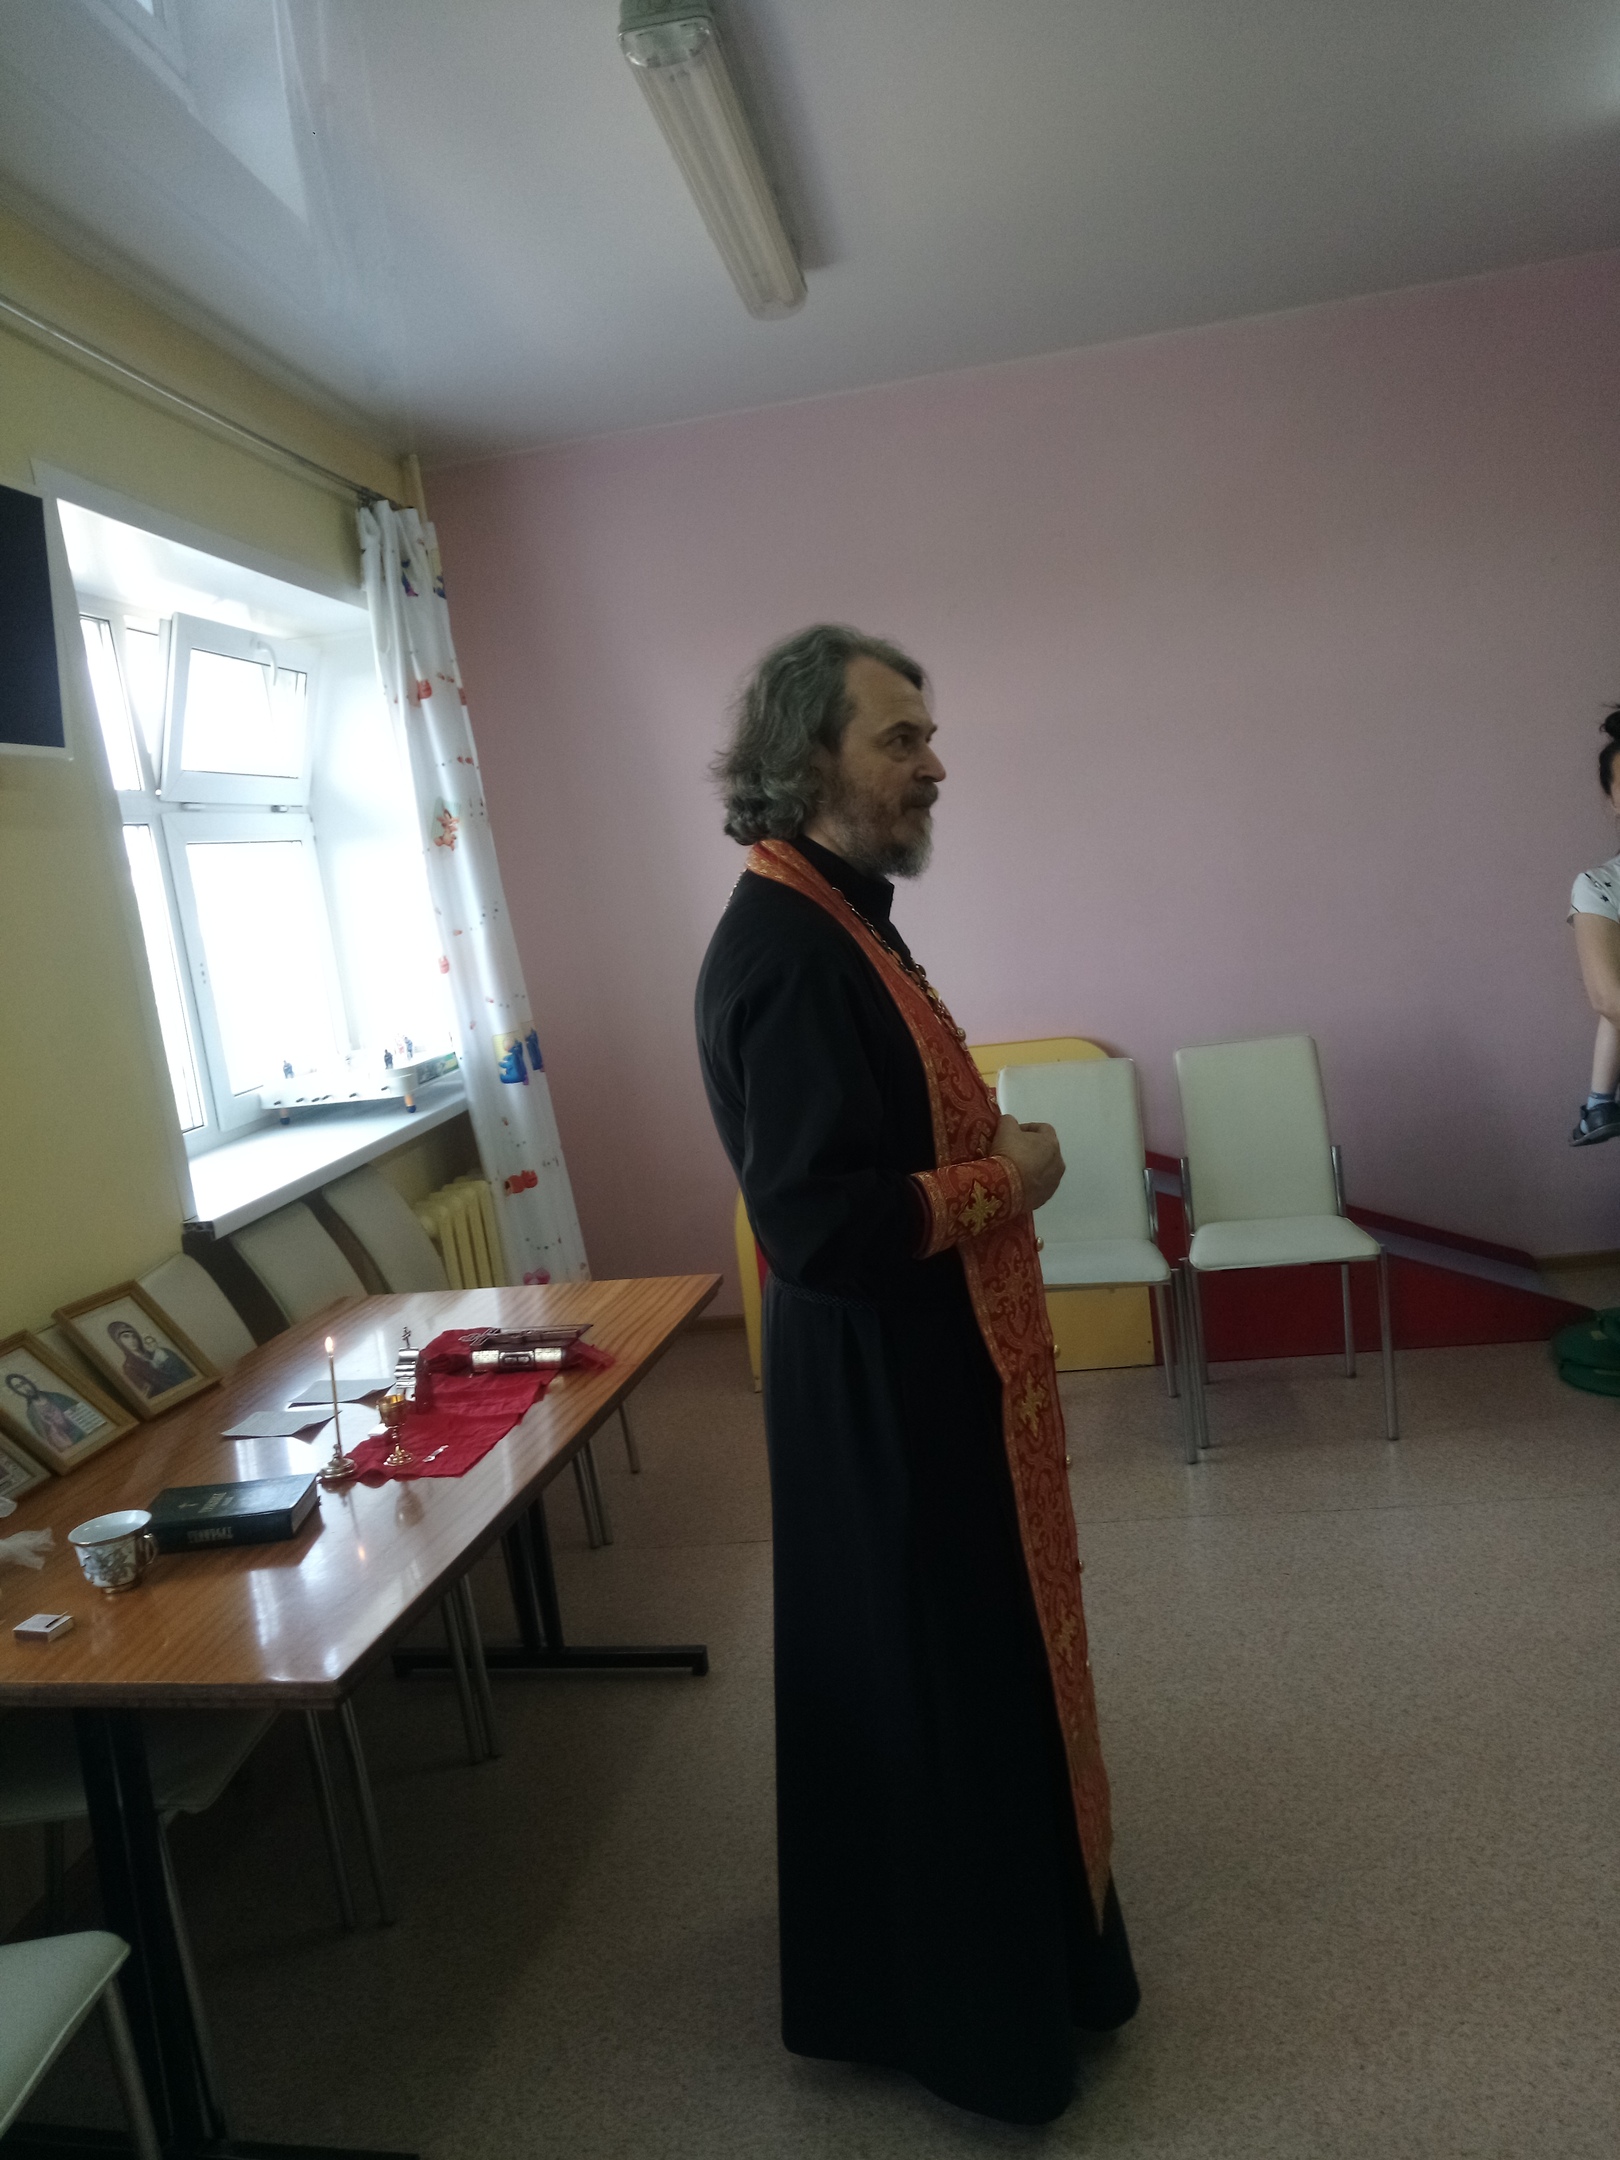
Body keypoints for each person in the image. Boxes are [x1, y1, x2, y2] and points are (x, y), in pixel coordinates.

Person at [694, 625, 1139, 2125]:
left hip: (924, 1376)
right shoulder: (785, 949)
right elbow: (816, 1225)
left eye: (926, 734)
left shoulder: (840, 915)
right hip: (885, 1395)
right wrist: (1012, 1178)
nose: (935, 762)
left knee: (966, 1679)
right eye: (900, 737)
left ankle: (1012, 1972)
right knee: (935, 1689)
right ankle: (974, 2026)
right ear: (808, 757)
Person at [1569, 708, 1620, 1146]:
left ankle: (1599, 1102)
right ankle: (1600, 1101)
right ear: (1613, 799)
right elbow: (1609, 998)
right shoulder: (1600, 886)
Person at [5, 1370, 91, 1453]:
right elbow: (45, 1438)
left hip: (83, 1436)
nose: (25, 1388)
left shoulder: (57, 1397)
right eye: (18, 1387)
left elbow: (85, 1415)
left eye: (23, 1383)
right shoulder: (31, 1413)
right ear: (17, 1391)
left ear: (29, 1382)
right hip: (67, 1448)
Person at [106, 1318, 191, 1398]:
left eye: (134, 1336)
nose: (131, 1340)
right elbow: (151, 1394)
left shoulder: (159, 1353)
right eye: (126, 1336)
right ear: (119, 1341)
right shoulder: (129, 1367)